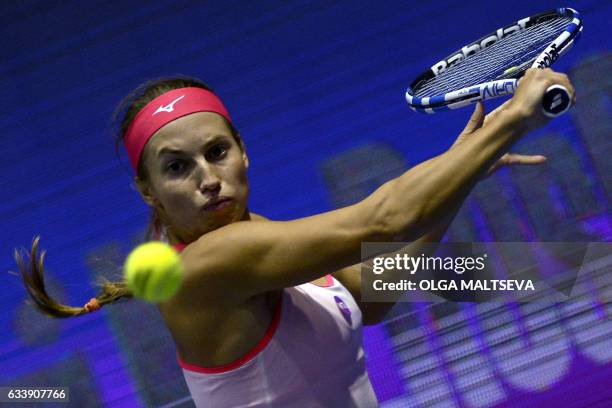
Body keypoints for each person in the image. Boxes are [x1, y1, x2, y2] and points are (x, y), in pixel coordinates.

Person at [16, 68, 575, 407]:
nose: (208, 179)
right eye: (178, 168)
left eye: (217, 153)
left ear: (243, 150)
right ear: (149, 192)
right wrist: (516, 117)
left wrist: (462, 175)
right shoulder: (210, 263)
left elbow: (371, 293)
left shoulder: (257, 237)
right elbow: (385, 218)